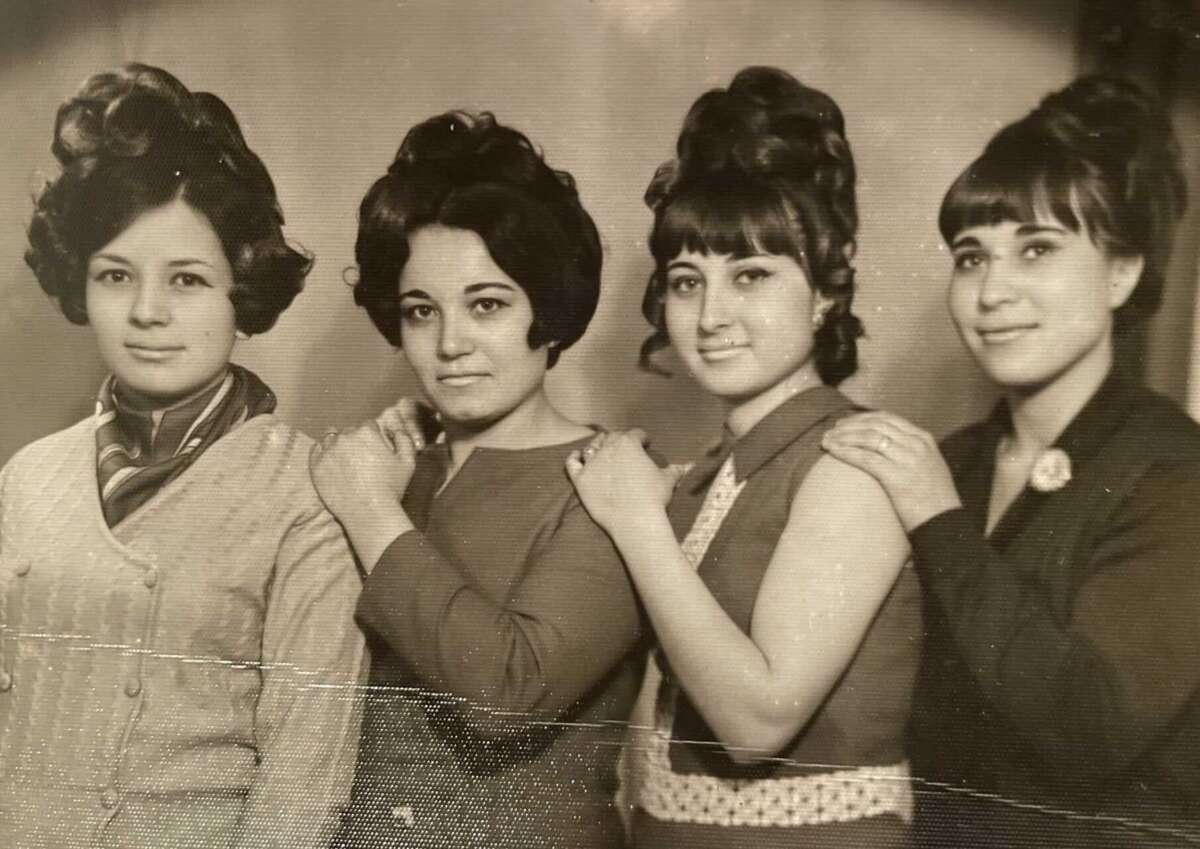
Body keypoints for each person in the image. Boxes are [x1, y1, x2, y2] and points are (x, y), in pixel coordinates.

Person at [821, 75, 1200, 847]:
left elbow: (1090, 725)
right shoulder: (952, 461)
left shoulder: (1173, 471)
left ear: (1122, 272)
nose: (992, 290)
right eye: (970, 256)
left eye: (1036, 249)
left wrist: (940, 522)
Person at [1, 64, 366, 849]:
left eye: (189, 279)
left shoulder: (304, 493)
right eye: (115, 275)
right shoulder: (28, 477)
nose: (146, 312)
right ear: (80, 284)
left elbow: (302, 789)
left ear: (244, 289)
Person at [564, 66, 919, 848]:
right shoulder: (706, 473)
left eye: (751, 275)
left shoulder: (851, 463)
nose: (711, 314)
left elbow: (759, 718)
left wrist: (634, 522)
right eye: (687, 280)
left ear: (827, 288)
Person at [309, 110, 643, 849]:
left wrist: (369, 511)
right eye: (421, 311)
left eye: (487, 304)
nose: (451, 343)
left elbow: (508, 690)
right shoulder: (390, 465)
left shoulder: (610, 477)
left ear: (550, 310)